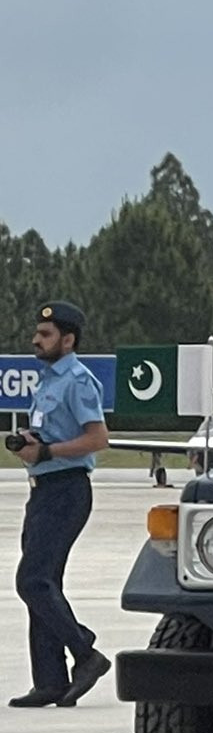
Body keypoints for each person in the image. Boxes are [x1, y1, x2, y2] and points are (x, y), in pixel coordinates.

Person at [10, 302, 111, 709]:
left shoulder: (77, 381)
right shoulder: (48, 381)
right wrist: (33, 443)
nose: (37, 339)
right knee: (44, 582)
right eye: (37, 332)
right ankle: (49, 681)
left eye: (46, 334)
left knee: (32, 580)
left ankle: (85, 653)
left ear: (68, 340)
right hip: (44, 490)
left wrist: (48, 451)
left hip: (67, 490)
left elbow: (98, 438)